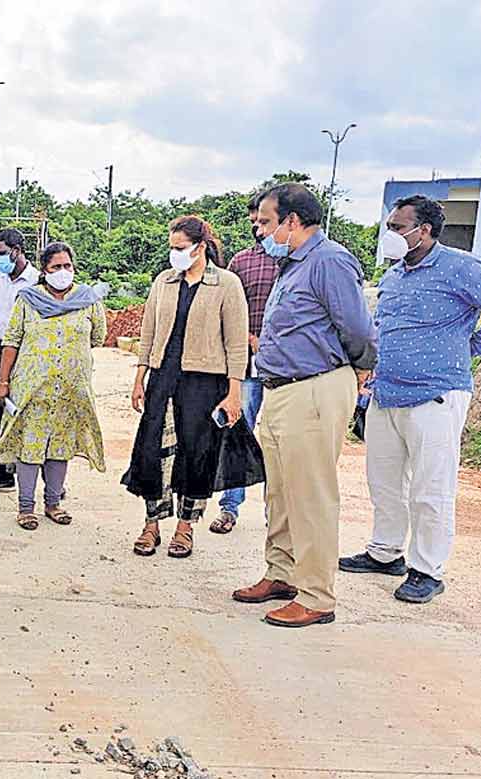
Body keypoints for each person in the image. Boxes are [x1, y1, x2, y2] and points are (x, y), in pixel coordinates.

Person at [339, 195, 481, 603]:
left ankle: (427, 568)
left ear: (422, 230)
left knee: (431, 487)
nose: (389, 234)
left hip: (435, 395)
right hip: (386, 393)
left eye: (397, 227)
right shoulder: (394, 275)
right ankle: (385, 552)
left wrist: (472, 347)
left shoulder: (460, 267)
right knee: (384, 482)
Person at [232, 183, 377, 628]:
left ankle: (316, 595)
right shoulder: (291, 265)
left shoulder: (328, 261)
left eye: (266, 223)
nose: (260, 232)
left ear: (293, 221)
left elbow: (356, 327)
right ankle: (282, 575)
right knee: (280, 492)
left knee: (310, 494)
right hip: (279, 390)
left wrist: (359, 370)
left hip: (314, 388)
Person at [122, 216, 266, 558]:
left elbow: (235, 344)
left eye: (180, 248)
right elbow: (148, 332)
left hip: (205, 382)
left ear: (200, 247)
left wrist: (234, 393)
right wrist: (139, 377)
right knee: (151, 451)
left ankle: (185, 528)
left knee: (196, 454)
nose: (175, 254)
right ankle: (152, 525)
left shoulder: (227, 285)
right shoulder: (164, 281)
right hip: (163, 376)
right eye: (172, 248)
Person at [0, 242, 107, 530]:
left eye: (67, 266)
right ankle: (26, 508)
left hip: (70, 392)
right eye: (55, 267)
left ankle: (53, 504)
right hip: (32, 391)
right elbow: (11, 341)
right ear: (45, 270)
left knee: (60, 449)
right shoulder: (28, 299)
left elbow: (97, 337)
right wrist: (3, 382)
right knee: (30, 447)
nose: (62, 272)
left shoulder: (88, 299)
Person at [210, 190, 281, 535]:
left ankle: (277, 516)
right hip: (247, 367)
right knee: (237, 432)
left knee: (280, 440)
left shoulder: (296, 260)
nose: (258, 227)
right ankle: (229, 507)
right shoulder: (241, 262)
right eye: (254, 221)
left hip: (286, 371)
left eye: (264, 221)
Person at [0, 228, 39, 495]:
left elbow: (40, 328)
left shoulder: (37, 281)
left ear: (17, 250)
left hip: (24, 367)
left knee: (31, 421)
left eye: (1, 253)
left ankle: (45, 483)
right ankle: (3, 474)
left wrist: (13, 349)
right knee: (0, 418)